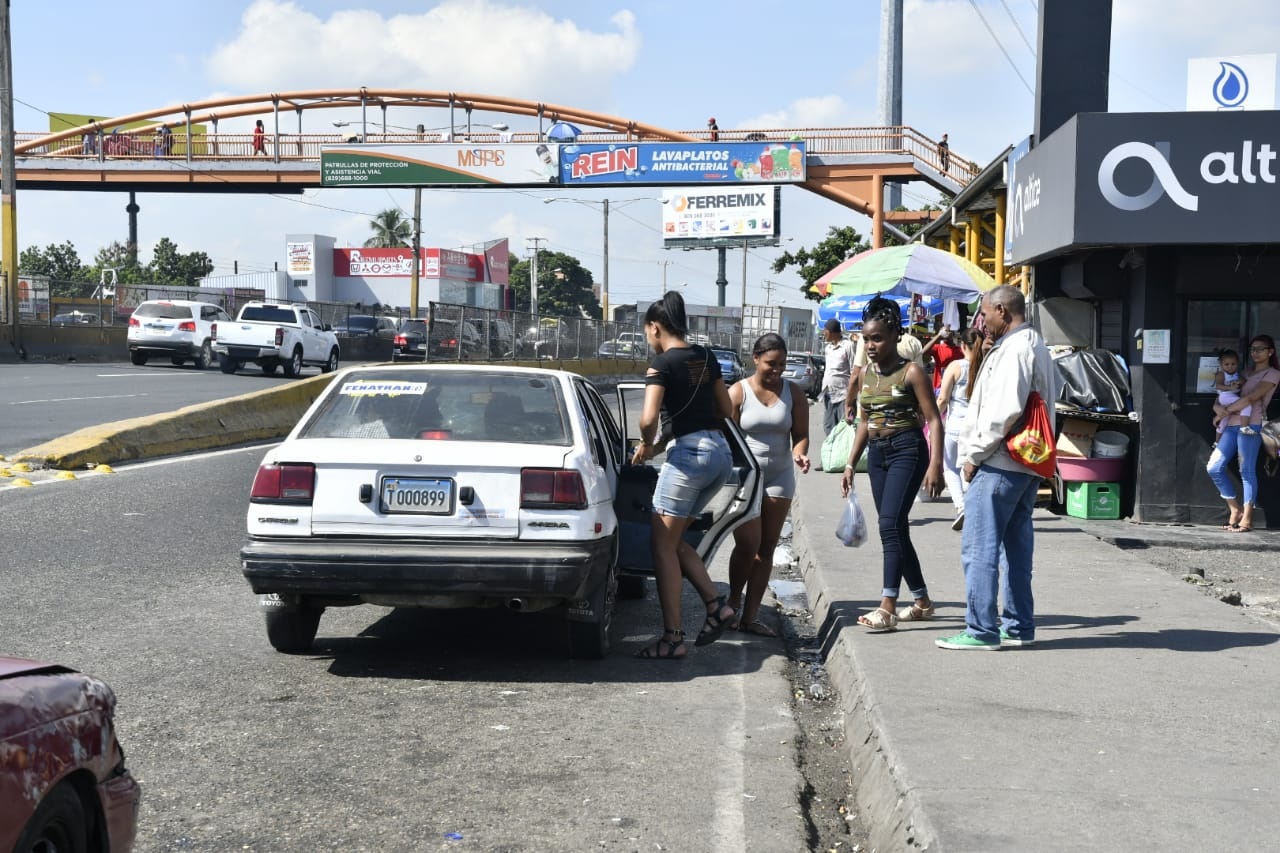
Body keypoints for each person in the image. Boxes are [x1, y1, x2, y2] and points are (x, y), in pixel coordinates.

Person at [937, 285, 1056, 650]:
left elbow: (1004, 410)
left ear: (1003, 310)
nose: (982, 322)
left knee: (979, 548)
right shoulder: (1033, 345)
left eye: (986, 314)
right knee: (1015, 550)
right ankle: (1018, 626)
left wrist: (974, 456)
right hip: (1025, 465)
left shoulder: (1016, 348)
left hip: (1000, 462)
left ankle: (981, 630)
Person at [632, 291, 737, 659]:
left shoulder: (661, 364)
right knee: (675, 541)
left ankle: (673, 638)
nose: (648, 339)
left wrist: (647, 444)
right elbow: (725, 408)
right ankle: (716, 606)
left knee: (660, 545)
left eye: (647, 332)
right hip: (719, 454)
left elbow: (648, 419)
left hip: (689, 457)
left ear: (656, 327)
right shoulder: (707, 357)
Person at [839, 296, 944, 633]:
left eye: (878, 338)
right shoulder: (868, 375)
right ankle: (923, 601)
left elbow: (933, 419)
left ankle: (887, 606)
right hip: (879, 454)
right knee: (897, 528)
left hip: (907, 450)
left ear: (895, 336)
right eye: (866, 338)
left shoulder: (911, 372)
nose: (870, 345)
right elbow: (864, 422)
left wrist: (936, 465)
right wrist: (851, 464)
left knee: (888, 524)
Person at [726, 333, 811, 637]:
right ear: (756, 359)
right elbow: (727, 440)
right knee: (747, 545)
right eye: (771, 364)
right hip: (745, 480)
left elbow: (800, 434)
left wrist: (800, 452)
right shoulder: (738, 393)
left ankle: (750, 618)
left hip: (779, 477)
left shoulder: (794, 394)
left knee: (767, 548)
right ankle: (733, 602)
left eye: (782, 366)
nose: (777, 371)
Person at [1207, 334, 1280, 533]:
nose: (1255, 352)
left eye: (1260, 349)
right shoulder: (1244, 372)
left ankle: (1247, 518)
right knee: (1214, 467)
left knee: (1246, 471)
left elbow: (1252, 397)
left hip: (1251, 425)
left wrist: (1224, 412)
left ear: (1270, 352)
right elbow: (1222, 396)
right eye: (1253, 349)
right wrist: (1217, 410)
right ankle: (1235, 509)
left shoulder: (1272, 374)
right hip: (1230, 424)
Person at [937, 327, 983, 531]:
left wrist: (932, 419)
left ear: (963, 345)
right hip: (977, 428)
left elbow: (943, 399)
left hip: (955, 427)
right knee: (971, 468)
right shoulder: (985, 366)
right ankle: (972, 507)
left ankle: (962, 507)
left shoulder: (955, 367)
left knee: (951, 468)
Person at [819, 318, 856, 433]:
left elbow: (854, 370)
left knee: (844, 427)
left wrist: (852, 398)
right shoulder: (828, 348)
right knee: (828, 427)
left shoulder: (848, 346)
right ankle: (831, 450)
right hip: (828, 394)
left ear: (833, 332)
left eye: (826, 331)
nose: (824, 334)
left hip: (843, 395)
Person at [1211, 349, 1252, 436]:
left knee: (1225, 420)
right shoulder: (1221, 374)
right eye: (1227, 364)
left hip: (1230, 396)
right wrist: (1230, 387)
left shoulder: (1237, 374)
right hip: (1225, 396)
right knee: (1246, 405)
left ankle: (1216, 442)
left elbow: (1243, 381)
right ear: (1221, 365)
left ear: (1237, 364)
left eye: (1233, 364)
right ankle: (1244, 427)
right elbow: (1218, 386)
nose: (1230, 366)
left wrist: (1238, 382)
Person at [922, 318, 962, 394]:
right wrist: (938, 336)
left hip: (955, 387)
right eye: (944, 331)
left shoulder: (960, 350)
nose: (945, 333)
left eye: (947, 331)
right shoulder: (938, 348)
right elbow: (923, 352)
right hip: (940, 387)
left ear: (952, 333)